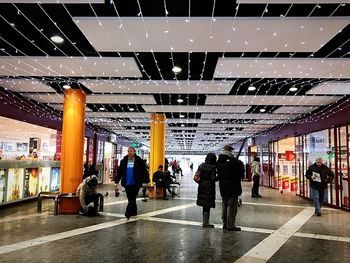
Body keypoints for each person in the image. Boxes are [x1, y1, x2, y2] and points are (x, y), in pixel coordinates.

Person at [115, 147, 149, 219]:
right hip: (127, 182)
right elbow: (119, 172)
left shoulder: (139, 161)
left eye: (131, 151)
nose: (129, 152)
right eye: (128, 151)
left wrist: (146, 181)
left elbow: (144, 172)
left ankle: (128, 212)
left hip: (136, 183)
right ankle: (134, 211)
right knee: (130, 198)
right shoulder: (123, 161)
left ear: (134, 152)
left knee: (132, 197)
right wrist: (116, 181)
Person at [217, 145, 245, 231]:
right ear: (230, 151)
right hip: (233, 186)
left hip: (223, 186)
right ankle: (231, 225)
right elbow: (241, 173)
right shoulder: (235, 162)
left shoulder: (219, 162)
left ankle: (225, 223)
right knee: (232, 206)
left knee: (224, 204)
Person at [196, 153, 218, 228]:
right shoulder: (213, 167)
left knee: (204, 205)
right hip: (209, 187)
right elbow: (213, 178)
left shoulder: (201, 165)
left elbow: (197, 175)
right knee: (207, 205)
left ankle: (205, 221)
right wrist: (218, 177)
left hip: (202, 186)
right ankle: (206, 223)